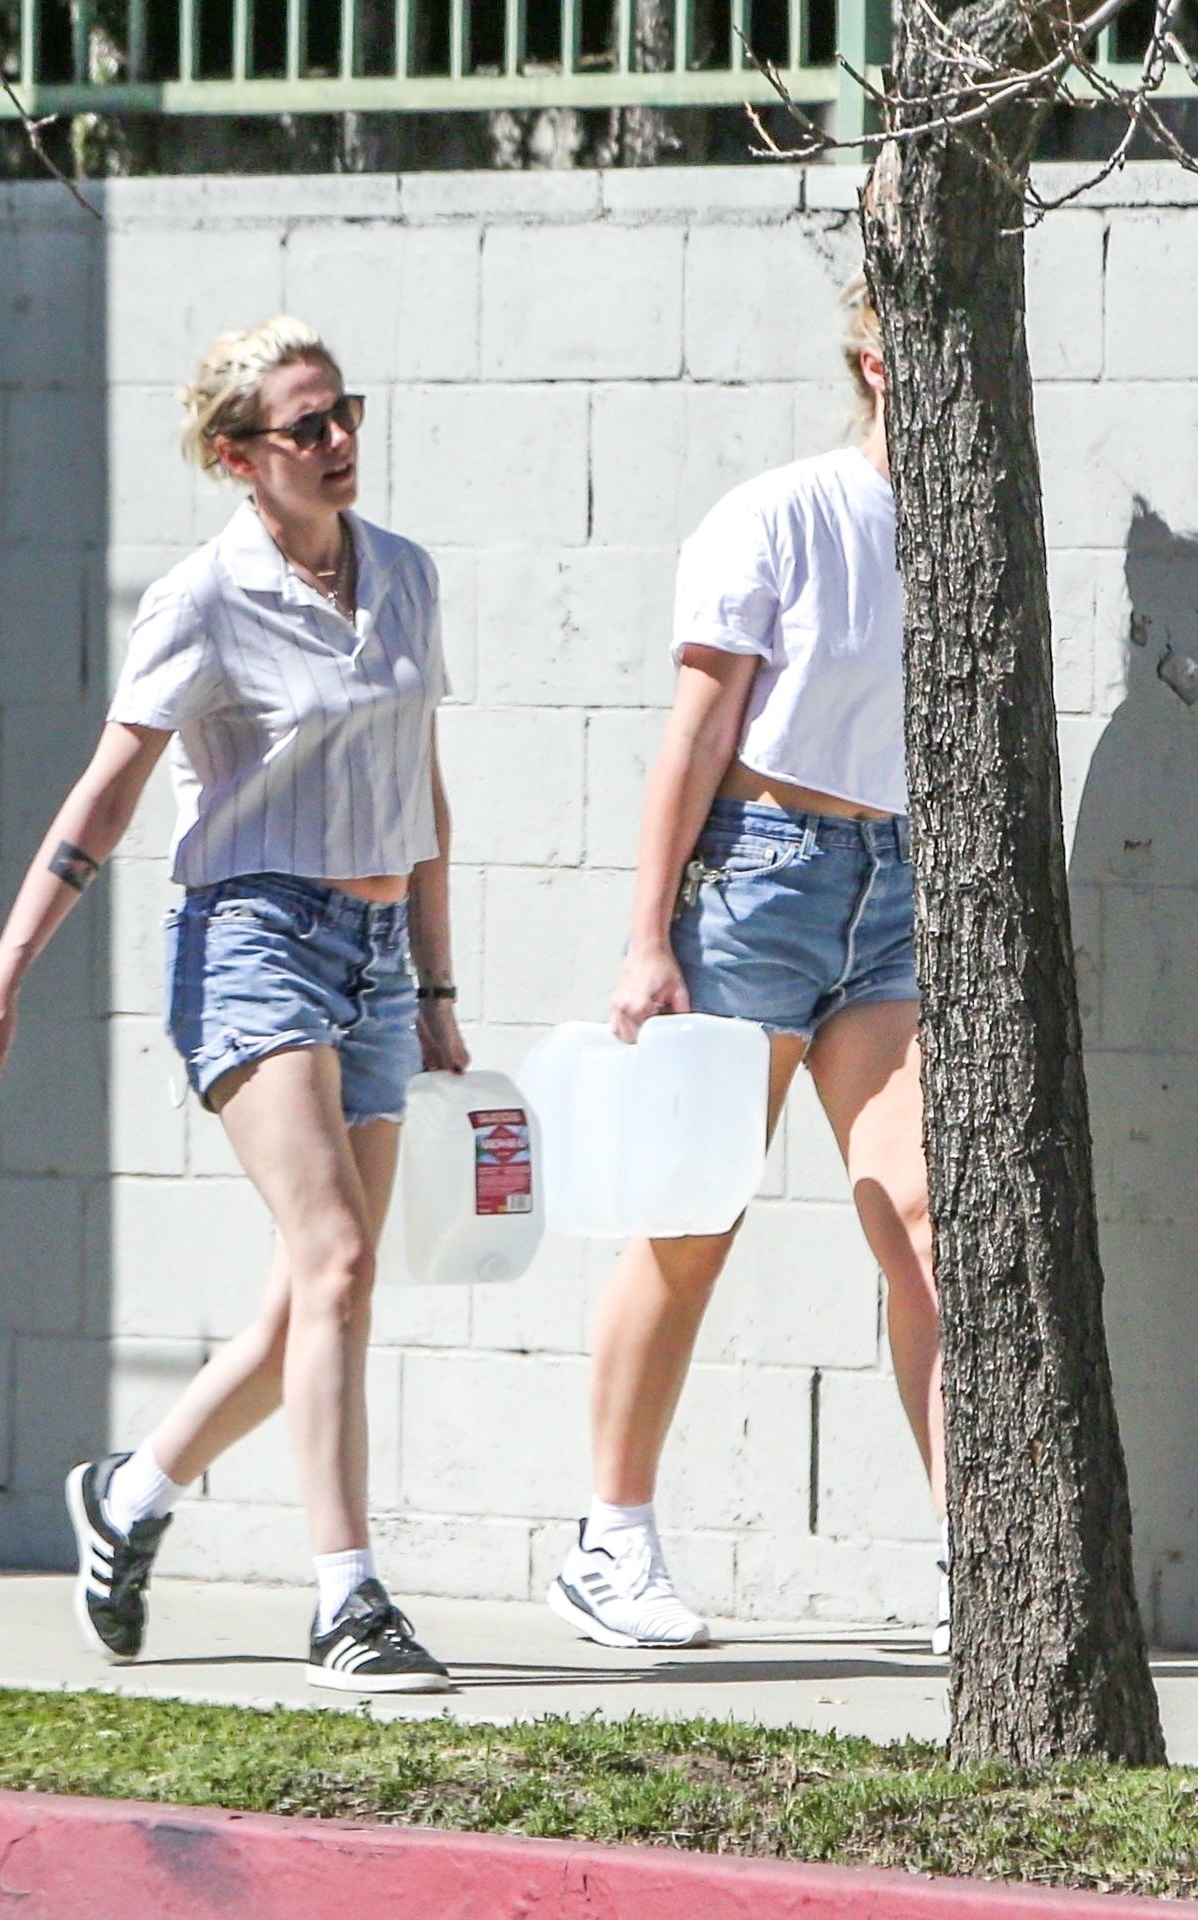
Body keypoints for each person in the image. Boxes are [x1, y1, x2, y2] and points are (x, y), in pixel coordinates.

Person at [0, 316, 466, 1695]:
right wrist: (0, 983)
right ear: (240, 457)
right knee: (337, 1262)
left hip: (375, 957)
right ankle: (348, 1601)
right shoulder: (203, 599)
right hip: (252, 941)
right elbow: (107, 797)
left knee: (316, 1292)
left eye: (346, 412)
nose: (340, 441)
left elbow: (423, 788)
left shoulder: (404, 574)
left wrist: (436, 982)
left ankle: (131, 1492)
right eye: (308, 426)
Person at [548, 280, 950, 1655]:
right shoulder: (780, 513)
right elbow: (696, 734)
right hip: (757, 880)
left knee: (926, 1224)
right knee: (691, 1221)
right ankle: (609, 1544)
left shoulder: (960, 530)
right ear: (873, 360)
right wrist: (646, 937)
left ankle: (974, 1562)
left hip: (891, 891)